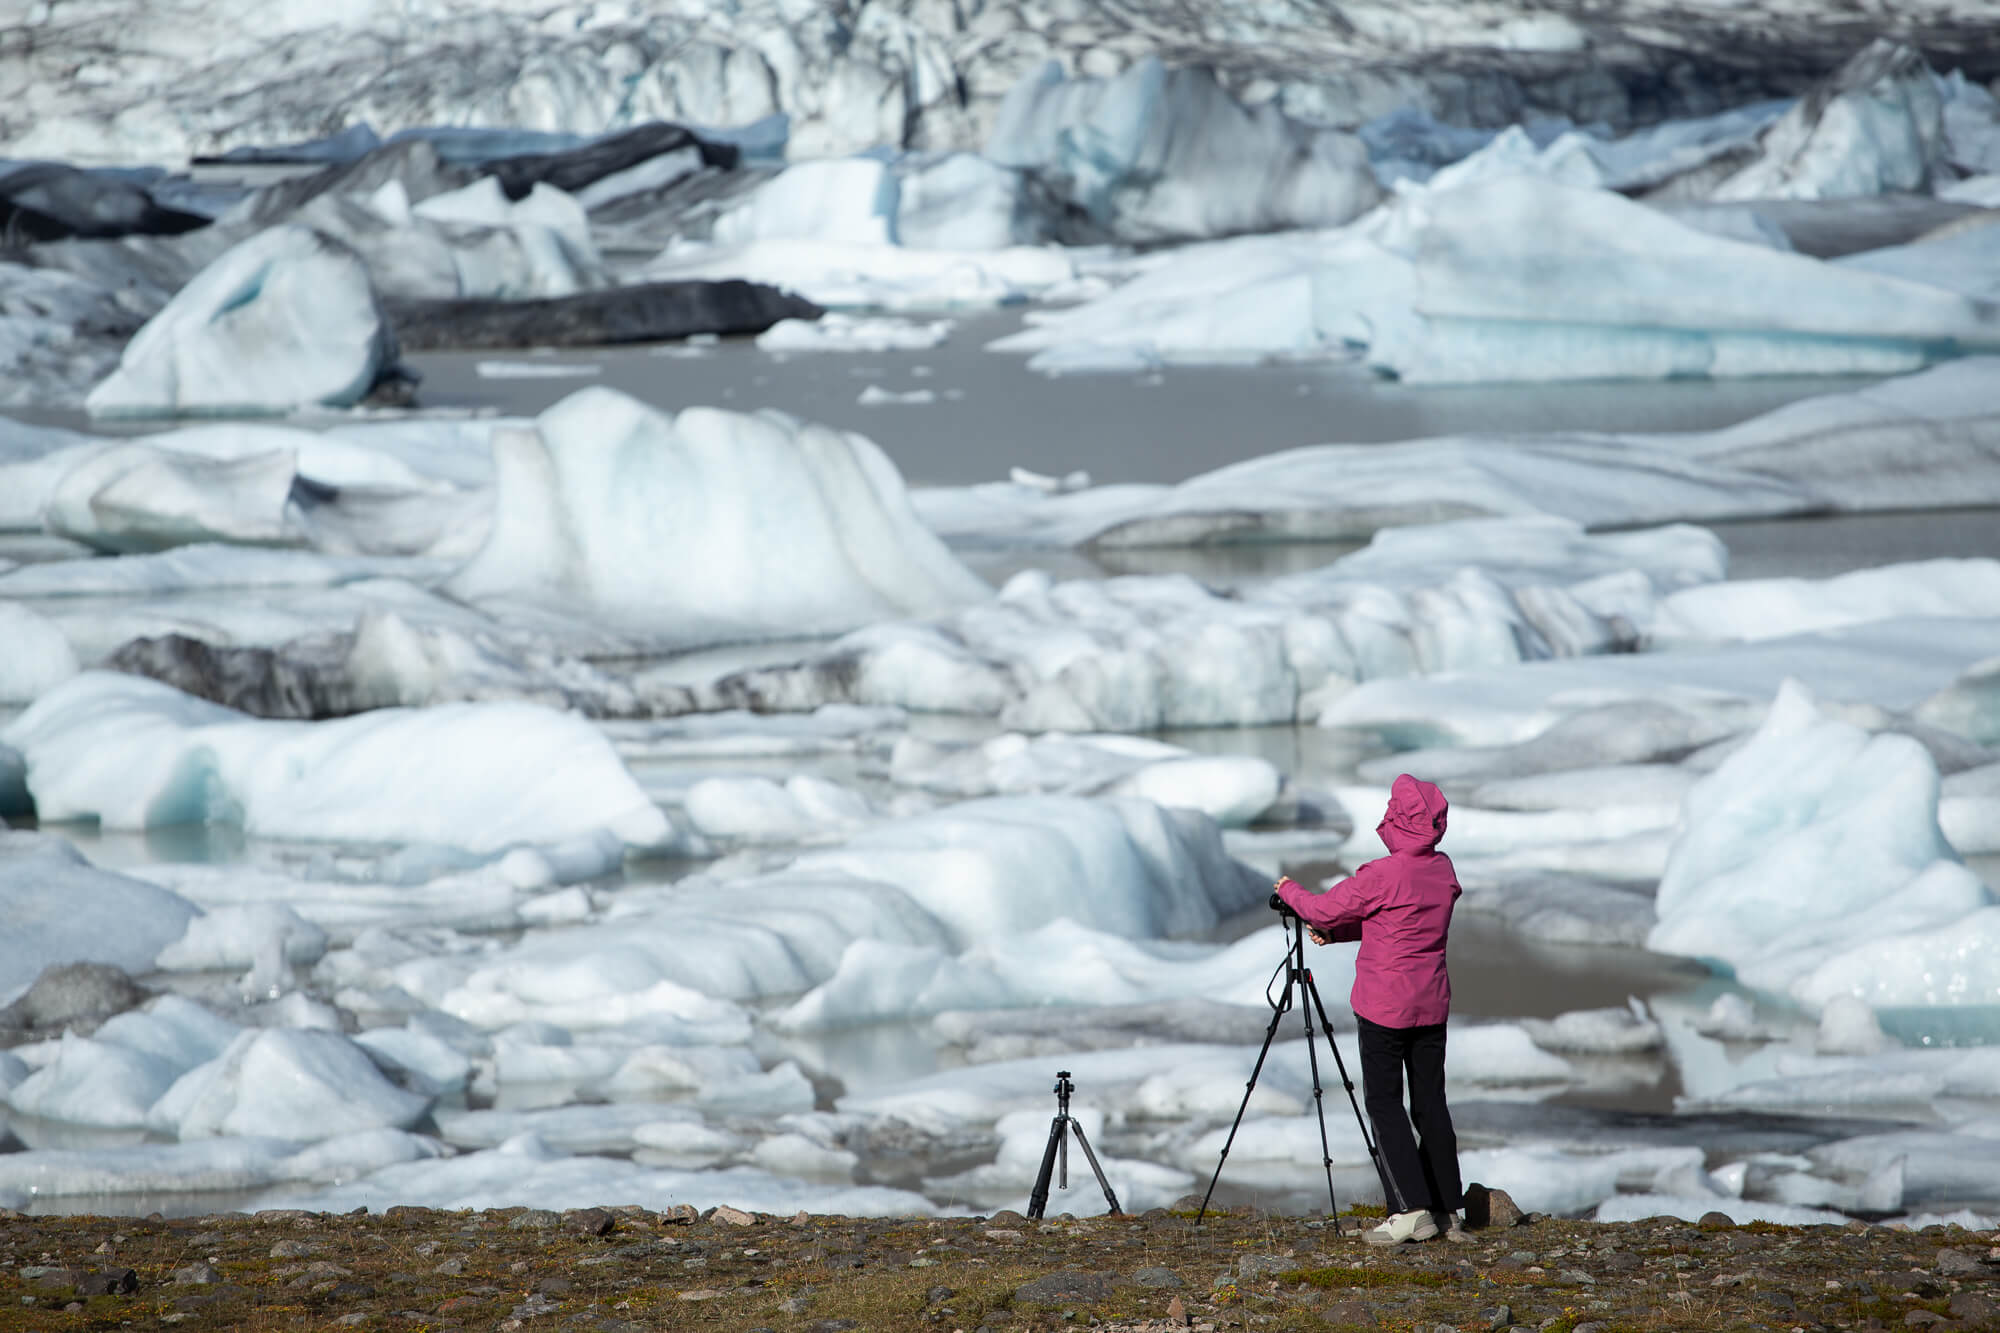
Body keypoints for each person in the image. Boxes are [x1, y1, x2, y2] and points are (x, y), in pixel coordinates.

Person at [1274, 772, 1464, 1246]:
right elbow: (1398, 921)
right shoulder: (1442, 871)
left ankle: (1407, 1210)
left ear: (1396, 819)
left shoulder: (1381, 874)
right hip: (1431, 1004)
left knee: (1384, 1104)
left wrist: (1288, 889)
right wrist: (1339, 935)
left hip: (1385, 1009)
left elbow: (1320, 908)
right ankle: (1446, 1208)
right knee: (1430, 1104)